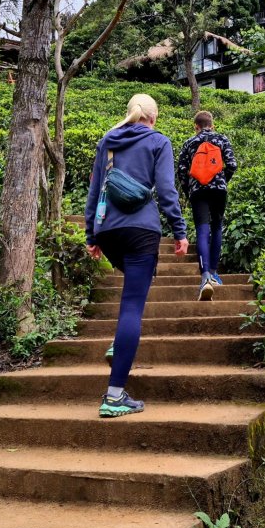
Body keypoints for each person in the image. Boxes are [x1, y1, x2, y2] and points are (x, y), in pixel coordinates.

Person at [85, 93, 188, 418]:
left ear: (130, 113)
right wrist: (180, 231)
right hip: (141, 230)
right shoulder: (159, 141)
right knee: (132, 306)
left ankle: (121, 343)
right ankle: (114, 396)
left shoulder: (108, 140)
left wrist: (91, 233)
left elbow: (95, 188)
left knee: (130, 289)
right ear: (153, 117)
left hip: (108, 230)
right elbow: (166, 190)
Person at [178, 110, 238, 300]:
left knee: (202, 230)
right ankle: (213, 272)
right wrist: (221, 181)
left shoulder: (189, 142)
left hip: (198, 191)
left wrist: (189, 190)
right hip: (219, 190)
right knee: (217, 227)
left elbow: (181, 170)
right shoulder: (221, 139)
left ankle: (204, 277)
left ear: (196, 126)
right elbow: (232, 164)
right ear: (212, 125)